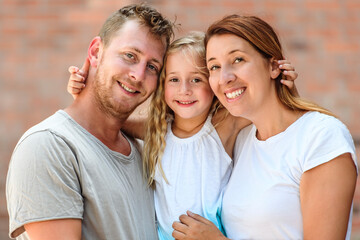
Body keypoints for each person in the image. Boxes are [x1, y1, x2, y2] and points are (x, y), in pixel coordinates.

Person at [67, 31, 298, 239]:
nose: (184, 89)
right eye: (174, 80)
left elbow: (270, 108)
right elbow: (109, 119)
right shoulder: (156, 130)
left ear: (213, 84)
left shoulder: (222, 126)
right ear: (163, 86)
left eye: (197, 79)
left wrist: (281, 84)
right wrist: (83, 94)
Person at [171, 15, 358, 240]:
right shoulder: (241, 141)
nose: (225, 77)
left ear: (273, 66)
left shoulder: (321, 136)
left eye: (238, 59)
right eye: (214, 67)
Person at [6, 4, 174, 240]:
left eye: (152, 66)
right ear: (96, 52)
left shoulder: (144, 153)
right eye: (130, 56)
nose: (138, 75)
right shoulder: (48, 146)